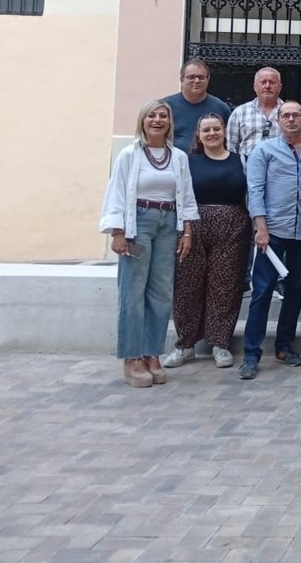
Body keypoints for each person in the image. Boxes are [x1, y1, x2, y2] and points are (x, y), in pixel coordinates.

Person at [99, 100, 199, 388]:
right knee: (133, 291)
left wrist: (187, 232)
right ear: (142, 121)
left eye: (163, 116)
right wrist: (117, 232)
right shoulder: (130, 155)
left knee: (161, 293)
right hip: (138, 225)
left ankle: (151, 352)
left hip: (168, 225)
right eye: (152, 116)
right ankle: (132, 357)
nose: (157, 120)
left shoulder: (178, 156)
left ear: (170, 122)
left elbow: (186, 195)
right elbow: (117, 191)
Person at [238, 101, 301, 379]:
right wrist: (260, 227)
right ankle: (251, 354)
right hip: (271, 233)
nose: (291, 119)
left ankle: (284, 346)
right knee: (262, 292)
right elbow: (255, 190)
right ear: (279, 121)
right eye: (286, 115)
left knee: (295, 290)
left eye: (296, 115)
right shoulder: (264, 151)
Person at [163, 113, 248, 371]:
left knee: (225, 286)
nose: (212, 133)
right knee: (187, 285)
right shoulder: (187, 162)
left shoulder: (241, 160)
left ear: (224, 132)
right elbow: (178, 195)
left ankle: (220, 343)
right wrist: (183, 229)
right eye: (206, 130)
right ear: (198, 135)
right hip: (193, 227)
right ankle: (185, 344)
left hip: (232, 227)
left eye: (216, 129)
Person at [163, 57, 231, 153]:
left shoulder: (221, 108)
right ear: (182, 80)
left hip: (209, 161)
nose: (197, 81)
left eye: (201, 77)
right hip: (173, 160)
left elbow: (229, 140)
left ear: (208, 79)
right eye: (191, 77)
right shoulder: (165, 107)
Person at [227, 66, 284, 163]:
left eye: (272, 82)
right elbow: (231, 148)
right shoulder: (240, 112)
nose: (267, 86)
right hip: (247, 168)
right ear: (255, 87)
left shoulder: (291, 114)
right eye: (263, 82)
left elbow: (300, 144)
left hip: (281, 168)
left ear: (280, 87)